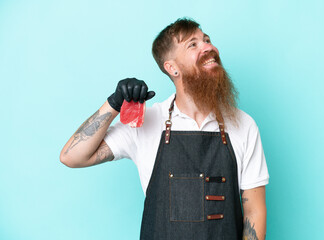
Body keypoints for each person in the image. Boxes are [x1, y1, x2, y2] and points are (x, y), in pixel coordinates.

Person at [60, 18, 269, 240]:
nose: (208, 47)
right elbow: (71, 157)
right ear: (172, 68)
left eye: (207, 40)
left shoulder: (243, 124)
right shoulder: (146, 122)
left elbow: (254, 211)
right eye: (193, 44)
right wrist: (113, 104)